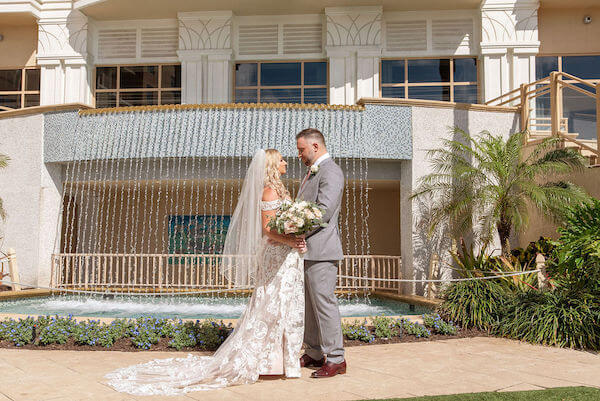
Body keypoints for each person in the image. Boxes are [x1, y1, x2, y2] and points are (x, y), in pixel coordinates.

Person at [105, 149, 306, 395]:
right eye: (282, 160)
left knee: (283, 304)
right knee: (272, 304)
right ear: (274, 165)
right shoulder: (269, 190)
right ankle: (266, 360)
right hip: (276, 256)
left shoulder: (280, 190)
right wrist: (289, 240)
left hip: (286, 255)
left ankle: (281, 361)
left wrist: (297, 236)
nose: (286, 162)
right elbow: (267, 229)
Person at [296, 128, 347, 378]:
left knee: (324, 303)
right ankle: (315, 352)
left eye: (301, 150)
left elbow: (324, 212)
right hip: (307, 251)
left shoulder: (332, 171)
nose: (299, 155)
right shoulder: (311, 172)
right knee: (310, 305)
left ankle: (336, 358)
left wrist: (297, 230)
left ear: (315, 146)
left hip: (322, 250)